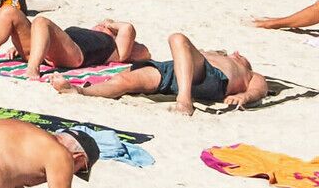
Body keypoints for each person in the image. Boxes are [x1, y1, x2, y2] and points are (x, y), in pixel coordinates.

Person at [63, 32, 267, 114]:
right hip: (172, 71)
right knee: (126, 79)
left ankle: (184, 100)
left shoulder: (247, 72)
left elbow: (260, 88)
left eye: (242, 56)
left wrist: (245, 96)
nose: (237, 53)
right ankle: (82, 92)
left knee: (177, 39)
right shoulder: (215, 54)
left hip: (211, 78)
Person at [0, 0, 143, 75]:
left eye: (104, 27)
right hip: (50, 52)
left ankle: (32, 68)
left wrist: (110, 24)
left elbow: (128, 28)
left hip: (75, 56)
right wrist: (17, 47)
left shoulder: (112, 45)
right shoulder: (83, 31)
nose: (100, 25)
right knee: (8, 11)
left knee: (41, 21)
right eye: (100, 25)